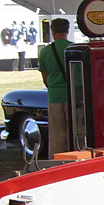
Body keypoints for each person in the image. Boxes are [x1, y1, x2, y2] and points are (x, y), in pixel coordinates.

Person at [38, 17, 71, 157]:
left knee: (57, 133)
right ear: (68, 30)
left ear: (52, 31)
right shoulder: (73, 48)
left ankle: (58, 160)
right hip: (73, 97)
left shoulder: (45, 51)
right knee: (74, 131)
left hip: (54, 96)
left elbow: (45, 78)